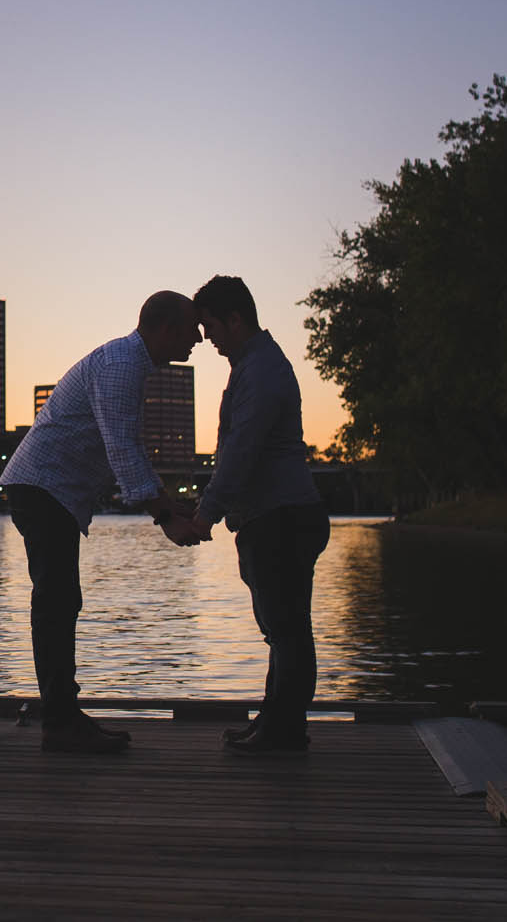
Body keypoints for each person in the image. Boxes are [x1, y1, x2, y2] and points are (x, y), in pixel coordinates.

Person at [0, 292, 205, 753]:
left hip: (49, 491)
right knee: (56, 602)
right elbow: (122, 449)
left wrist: (168, 504)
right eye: (193, 329)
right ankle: (60, 721)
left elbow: (125, 447)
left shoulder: (127, 363)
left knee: (60, 601)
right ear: (168, 329)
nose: (200, 338)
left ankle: (63, 715)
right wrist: (165, 516)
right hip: (42, 488)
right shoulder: (120, 366)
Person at [173, 274, 329, 756]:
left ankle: (283, 731)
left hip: (280, 517)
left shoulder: (260, 371)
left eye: (211, 326)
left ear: (235, 319)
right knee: (282, 628)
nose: (206, 337)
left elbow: (240, 452)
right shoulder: (256, 365)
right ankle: (277, 720)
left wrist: (205, 515)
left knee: (286, 629)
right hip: (276, 515)